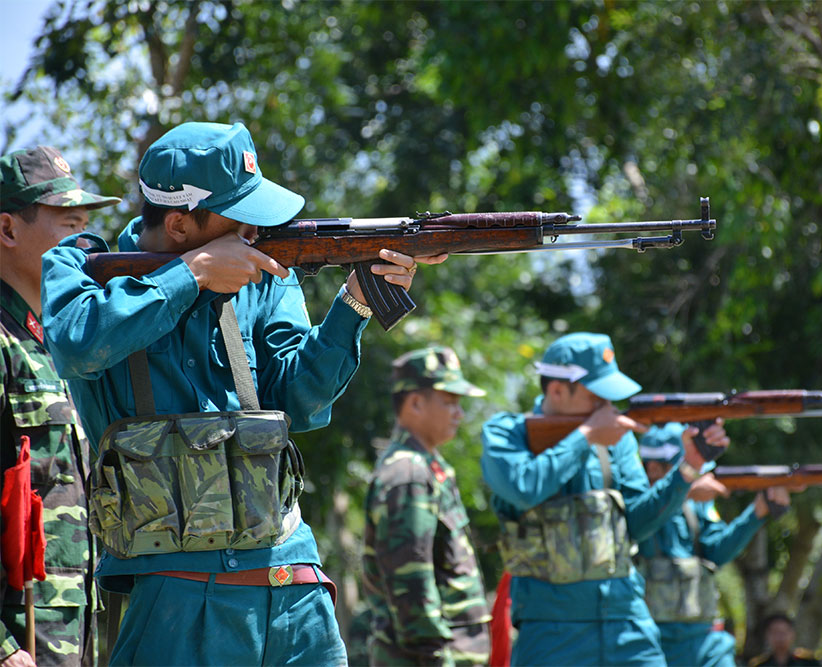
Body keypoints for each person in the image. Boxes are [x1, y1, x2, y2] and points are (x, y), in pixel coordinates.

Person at [39, 121, 443, 666]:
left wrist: (355, 306)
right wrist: (191, 276)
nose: (258, 228)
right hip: (177, 596)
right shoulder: (83, 266)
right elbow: (77, 344)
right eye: (239, 212)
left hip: (294, 583)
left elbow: (299, 402)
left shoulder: (268, 276)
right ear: (180, 224)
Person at [479, 332, 731, 666]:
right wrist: (585, 437)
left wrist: (687, 469)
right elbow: (524, 488)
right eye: (599, 398)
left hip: (628, 623)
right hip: (551, 630)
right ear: (556, 390)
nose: (609, 409)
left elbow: (637, 525)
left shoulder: (617, 440)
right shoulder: (508, 433)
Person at [1, 146, 120, 667]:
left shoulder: (59, 343)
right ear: (7, 230)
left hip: (72, 633)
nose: (86, 243)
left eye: (88, 224)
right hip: (18, 641)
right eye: (70, 225)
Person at [362, 346, 492, 666]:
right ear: (416, 403)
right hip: (426, 657)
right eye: (449, 402)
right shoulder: (409, 474)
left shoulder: (427, 466)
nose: (459, 413)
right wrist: (431, 653)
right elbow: (411, 576)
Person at [635, 423, 791, 667]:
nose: (696, 474)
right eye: (687, 466)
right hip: (650, 640)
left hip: (702, 637)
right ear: (653, 468)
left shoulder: (697, 502)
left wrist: (757, 513)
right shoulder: (635, 504)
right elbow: (638, 527)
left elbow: (716, 553)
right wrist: (683, 492)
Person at [747, 612, 822, 667]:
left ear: (792, 634)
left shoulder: (808, 663)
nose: (780, 637)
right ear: (767, 635)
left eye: (784, 632)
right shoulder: (760, 665)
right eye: (775, 632)